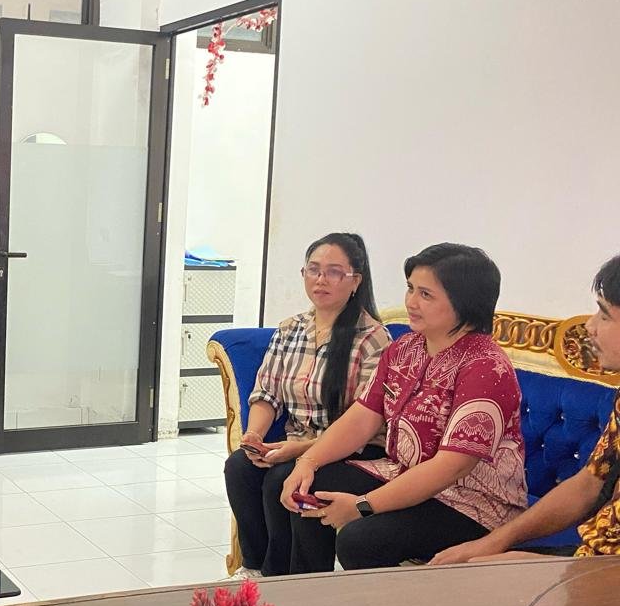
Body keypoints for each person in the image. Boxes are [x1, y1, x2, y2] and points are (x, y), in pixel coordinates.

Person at [279, 243, 527, 572]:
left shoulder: (486, 367)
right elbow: (362, 418)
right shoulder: (406, 347)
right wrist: (307, 461)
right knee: (307, 486)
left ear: (464, 302)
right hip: (402, 473)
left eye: (426, 294)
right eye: (411, 288)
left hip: (470, 503)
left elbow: (451, 468)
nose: (411, 302)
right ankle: (307, 593)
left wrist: (362, 506)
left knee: (360, 539)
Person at [433, 254, 620, 565]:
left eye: (604, 315)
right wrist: (494, 542)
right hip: (592, 559)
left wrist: (548, 569)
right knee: (469, 565)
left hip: (601, 573)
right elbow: (589, 482)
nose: (589, 326)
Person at [225, 233, 391, 577]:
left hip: (350, 448)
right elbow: (267, 392)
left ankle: (287, 577)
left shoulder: (372, 338)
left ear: (356, 281)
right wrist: (254, 436)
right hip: (295, 441)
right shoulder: (291, 329)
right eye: (313, 270)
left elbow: (365, 421)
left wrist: (300, 450)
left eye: (334, 272)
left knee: (281, 479)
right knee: (240, 467)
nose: (321, 280)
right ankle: (253, 567)